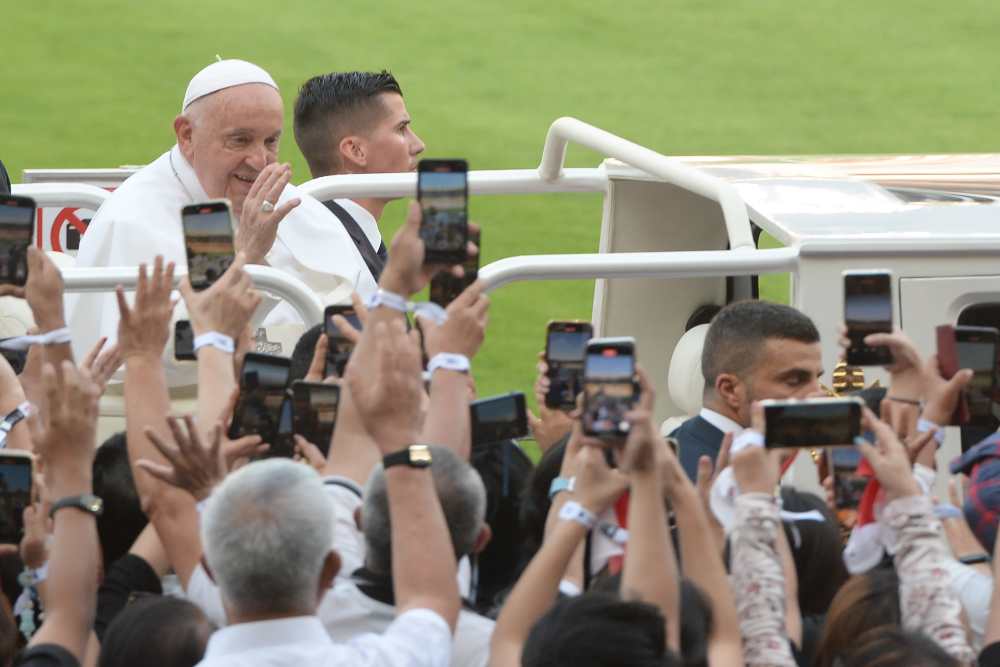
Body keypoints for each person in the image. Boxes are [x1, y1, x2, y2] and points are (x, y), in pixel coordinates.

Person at [68, 59, 374, 376]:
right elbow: (160, 358)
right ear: (186, 135)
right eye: (240, 140)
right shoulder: (131, 219)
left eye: (271, 141)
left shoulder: (293, 204)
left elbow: (368, 318)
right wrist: (247, 254)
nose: (259, 161)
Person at [293, 71, 426, 285]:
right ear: (355, 150)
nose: (419, 145)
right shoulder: (339, 260)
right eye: (401, 129)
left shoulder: (326, 233)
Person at [670, 300, 823, 480]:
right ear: (730, 390)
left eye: (817, 378)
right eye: (794, 380)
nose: (817, 394)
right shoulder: (693, 479)